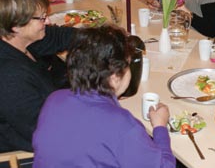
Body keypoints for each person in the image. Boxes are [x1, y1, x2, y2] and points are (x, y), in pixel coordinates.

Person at [33, 25, 175, 167]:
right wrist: (160, 127)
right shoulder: (123, 125)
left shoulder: (54, 99)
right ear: (114, 78)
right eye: (128, 65)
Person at [0, 0, 76, 152]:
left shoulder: (20, 42)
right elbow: (46, 133)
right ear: (15, 26)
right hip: (29, 156)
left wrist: (102, 36)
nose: (48, 21)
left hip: (54, 124)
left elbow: (56, 36)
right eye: (42, 18)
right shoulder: (9, 76)